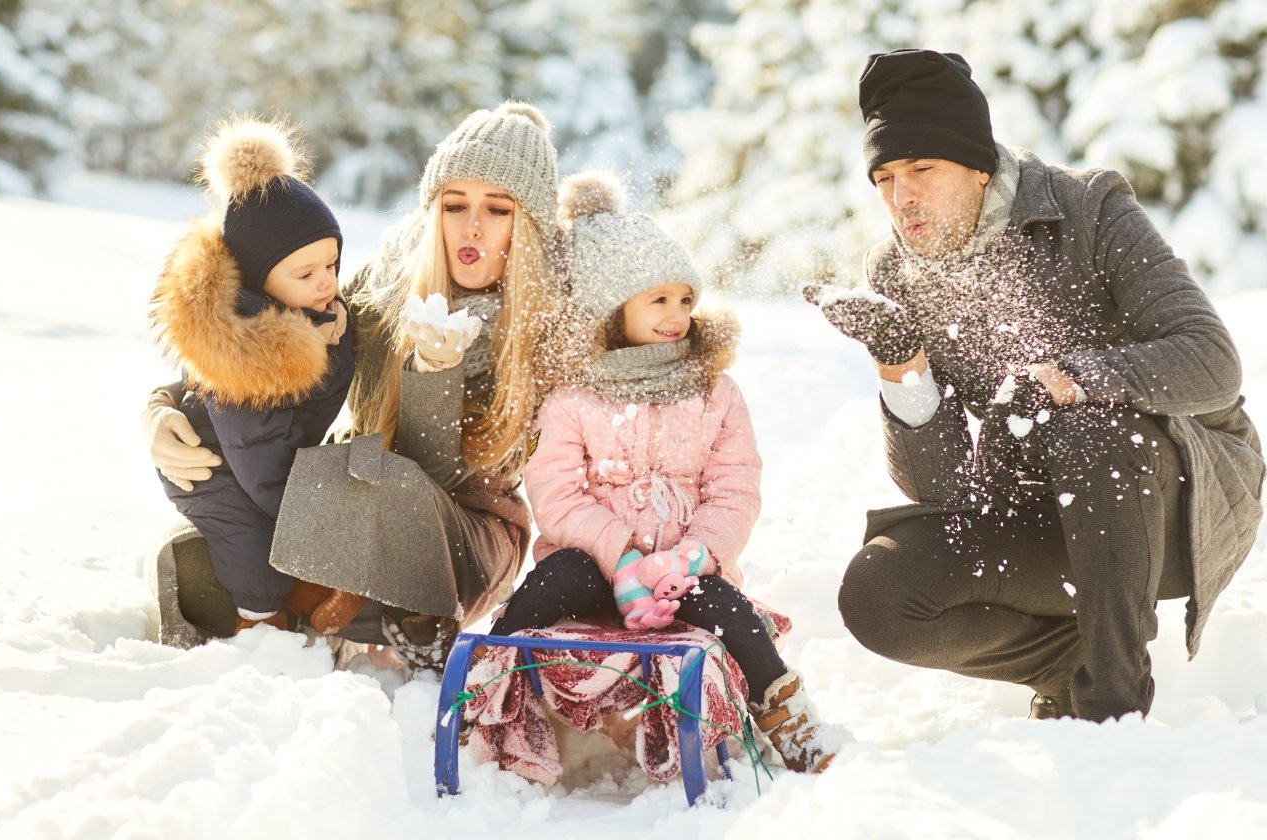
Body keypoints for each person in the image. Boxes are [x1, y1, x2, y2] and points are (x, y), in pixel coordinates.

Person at [810, 49, 1266, 722]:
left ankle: (1112, 707)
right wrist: (901, 361)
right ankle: (1065, 666)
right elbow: (942, 492)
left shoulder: (1089, 208)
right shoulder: (898, 272)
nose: (900, 197)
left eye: (920, 169)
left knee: (1085, 429)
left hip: (1169, 504)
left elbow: (1213, 362)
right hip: (1040, 516)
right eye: (884, 177)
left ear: (978, 165)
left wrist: (1075, 379)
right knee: (880, 592)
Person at [143, 102, 563, 670]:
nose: (471, 227)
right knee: (205, 547)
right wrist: (165, 406)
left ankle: (368, 611)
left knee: (384, 483)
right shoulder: (386, 288)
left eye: (498, 209)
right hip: (358, 498)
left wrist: (434, 376)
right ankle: (296, 606)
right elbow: (267, 341)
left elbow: (435, 472)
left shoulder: (549, 326)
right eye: (454, 205)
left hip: (459, 541)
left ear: (530, 222)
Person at [487, 171, 840, 773]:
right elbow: (557, 493)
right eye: (658, 300)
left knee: (728, 609)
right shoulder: (573, 398)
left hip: (682, 572)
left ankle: (785, 712)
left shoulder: (714, 393)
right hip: (598, 566)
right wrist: (621, 558)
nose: (677, 315)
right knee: (552, 580)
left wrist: (693, 556)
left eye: (685, 300)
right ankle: (488, 681)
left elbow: (735, 486)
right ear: (612, 308)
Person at [148, 118, 353, 635]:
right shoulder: (248, 360)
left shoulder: (318, 316)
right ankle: (256, 624)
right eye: (306, 274)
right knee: (256, 560)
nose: (327, 282)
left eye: (331, 264)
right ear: (260, 283)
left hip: (264, 462)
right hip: (213, 469)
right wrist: (317, 531)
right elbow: (262, 466)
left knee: (282, 540)